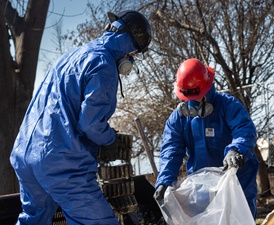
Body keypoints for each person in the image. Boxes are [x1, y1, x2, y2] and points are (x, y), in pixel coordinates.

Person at [10, 10, 151, 225]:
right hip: (60, 162)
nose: (132, 58)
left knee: (33, 219)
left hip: (25, 155)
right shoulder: (104, 65)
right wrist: (110, 139)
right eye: (134, 53)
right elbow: (90, 124)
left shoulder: (73, 55)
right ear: (130, 46)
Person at [154, 58, 259, 219]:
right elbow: (171, 150)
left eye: (196, 98)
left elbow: (244, 130)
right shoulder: (179, 118)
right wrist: (164, 181)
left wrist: (236, 150)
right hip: (204, 183)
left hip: (238, 179)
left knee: (238, 219)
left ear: (207, 89)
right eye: (187, 100)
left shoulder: (228, 106)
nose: (192, 105)